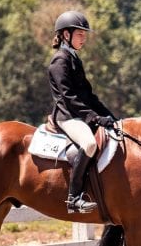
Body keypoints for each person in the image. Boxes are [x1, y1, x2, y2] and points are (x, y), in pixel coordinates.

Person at [47, 11, 117, 214]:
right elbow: (69, 98)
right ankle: (74, 197)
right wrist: (93, 117)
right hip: (67, 116)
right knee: (89, 143)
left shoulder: (74, 59)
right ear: (66, 35)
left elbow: (89, 96)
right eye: (80, 34)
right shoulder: (60, 60)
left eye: (85, 34)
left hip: (79, 114)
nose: (84, 38)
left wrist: (110, 117)